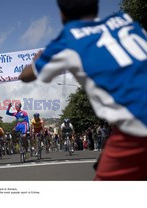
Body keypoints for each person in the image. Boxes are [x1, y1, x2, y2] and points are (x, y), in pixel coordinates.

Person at [20, 0, 147, 180]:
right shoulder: (125, 21)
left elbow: (25, 76)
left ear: (62, 15)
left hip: (137, 126)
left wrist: (36, 59)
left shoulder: (67, 39)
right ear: (96, 6)